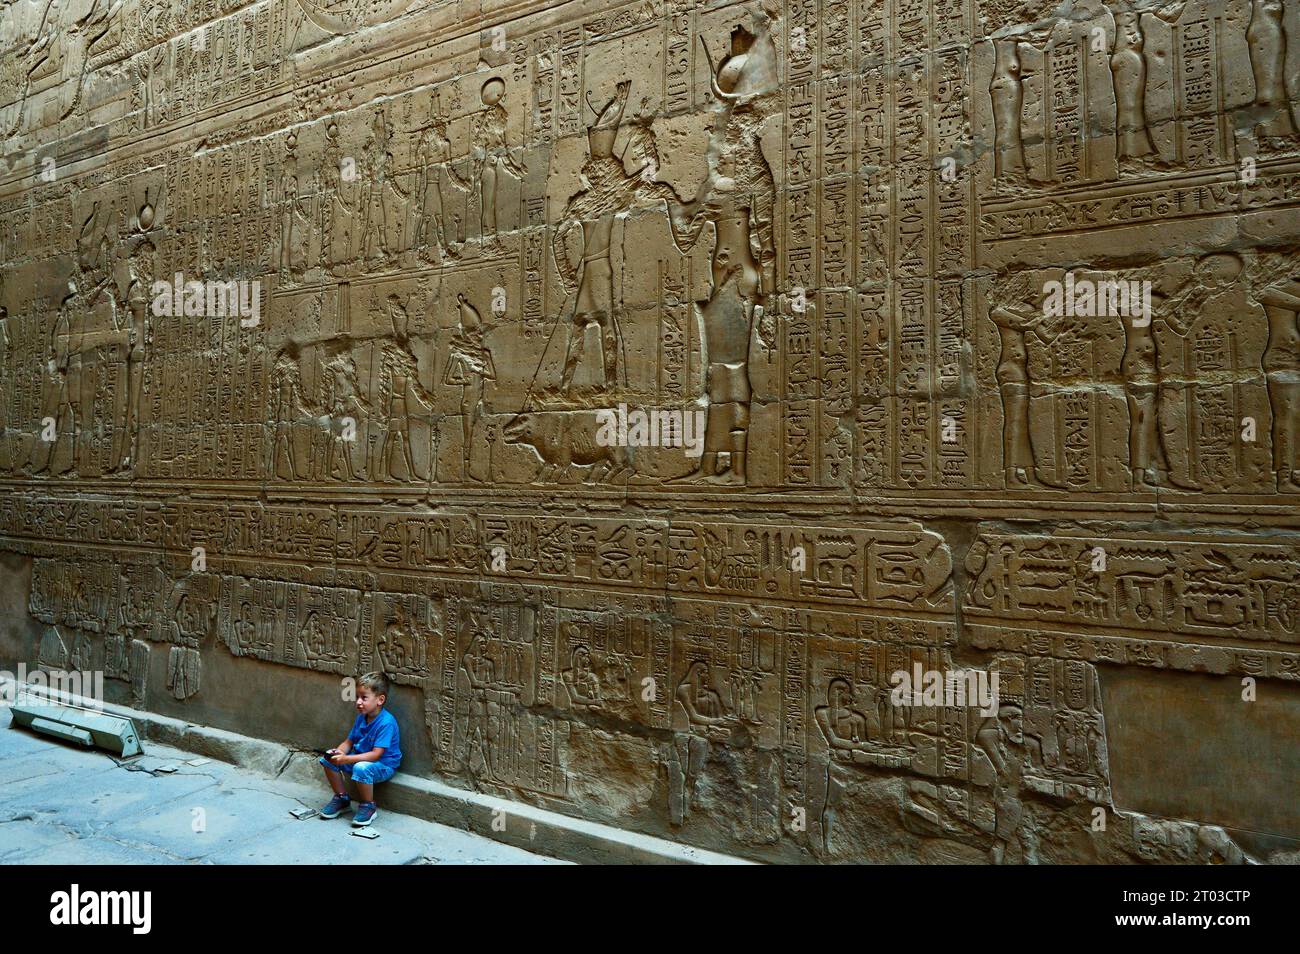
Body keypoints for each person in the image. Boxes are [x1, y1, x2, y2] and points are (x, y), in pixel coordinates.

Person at [319, 672, 402, 827]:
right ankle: (342, 798)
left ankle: (368, 806)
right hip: (360, 758)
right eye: (357, 697)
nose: (358, 702)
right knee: (328, 759)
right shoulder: (361, 717)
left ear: (380, 700)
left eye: (364, 698)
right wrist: (339, 753)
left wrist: (347, 759)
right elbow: (349, 741)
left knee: (361, 768)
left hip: (383, 765)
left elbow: (376, 754)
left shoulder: (386, 722)